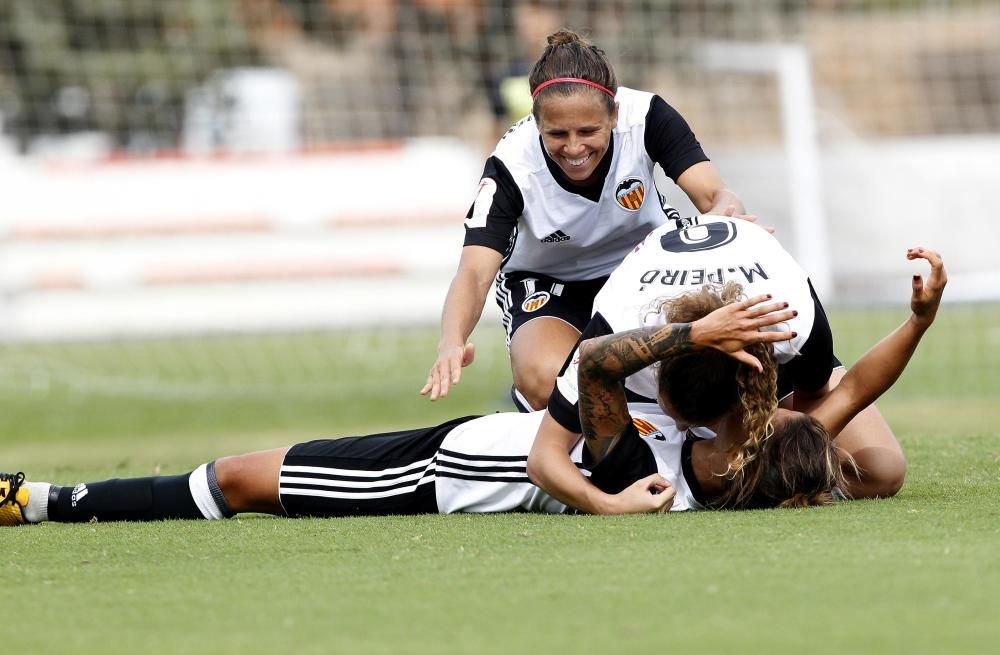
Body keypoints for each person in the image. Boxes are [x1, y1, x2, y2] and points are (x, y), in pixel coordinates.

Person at [2, 292, 817, 527]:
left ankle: (33, 503)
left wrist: (690, 332)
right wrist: (917, 320)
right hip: (472, 438)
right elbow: (849, 397)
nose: (766, 409)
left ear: (740, 459)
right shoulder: (718, 454)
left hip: (441, 471)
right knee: (241, 471)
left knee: (238, 478)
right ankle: (34, 499)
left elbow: (598, 360)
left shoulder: (652, 478)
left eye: (768, 422)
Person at [421, 29, 750, 411]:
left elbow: (714, 196)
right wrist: (451, 341)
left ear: (614, 114)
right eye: (557, 133)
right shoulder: (511, 165)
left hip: (644, 266)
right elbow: (475, 273)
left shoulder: (648, 117)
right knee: (545, 382)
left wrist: (730, 215)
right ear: (536, 120)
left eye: (588, 131)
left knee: (702, 370)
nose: (574, 148)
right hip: (548, 282)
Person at [528, 245, 945, 513]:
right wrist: (917, 323)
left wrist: (608, 506)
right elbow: (854, 388)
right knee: (882, 470)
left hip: (650, 349)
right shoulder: (793, 322)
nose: (802, 418)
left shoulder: (618, 329)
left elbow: (547, 452)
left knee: (878, 470)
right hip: (741, 270)